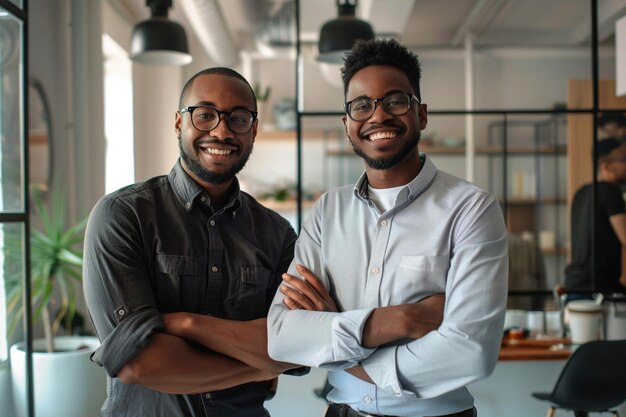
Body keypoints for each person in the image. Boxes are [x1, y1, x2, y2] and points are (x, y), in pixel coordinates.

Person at [267, 39, 509, 417]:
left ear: (421, 114)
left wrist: (341, 347)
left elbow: (471, 352)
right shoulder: (327, 210)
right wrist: (405, 320)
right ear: (347, 125)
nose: (378, 116)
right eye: (361, 105)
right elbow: (283, 335)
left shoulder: (471, 209)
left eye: (395, 101)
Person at [83, 67, 301, 417]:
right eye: (204, 116)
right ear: (178, 123)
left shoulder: (277, 234)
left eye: (239, 118)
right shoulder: (123, 216)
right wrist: (261, 365)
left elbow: (294, 347)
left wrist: (185, 324)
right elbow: (139, 364)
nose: (222, 130)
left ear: (254, 129)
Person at [565, 137, 626, 299]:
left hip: (574, 286)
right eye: (624, 159)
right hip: (598, 290)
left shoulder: (581, 192)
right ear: (606, 165)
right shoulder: (611, 192)